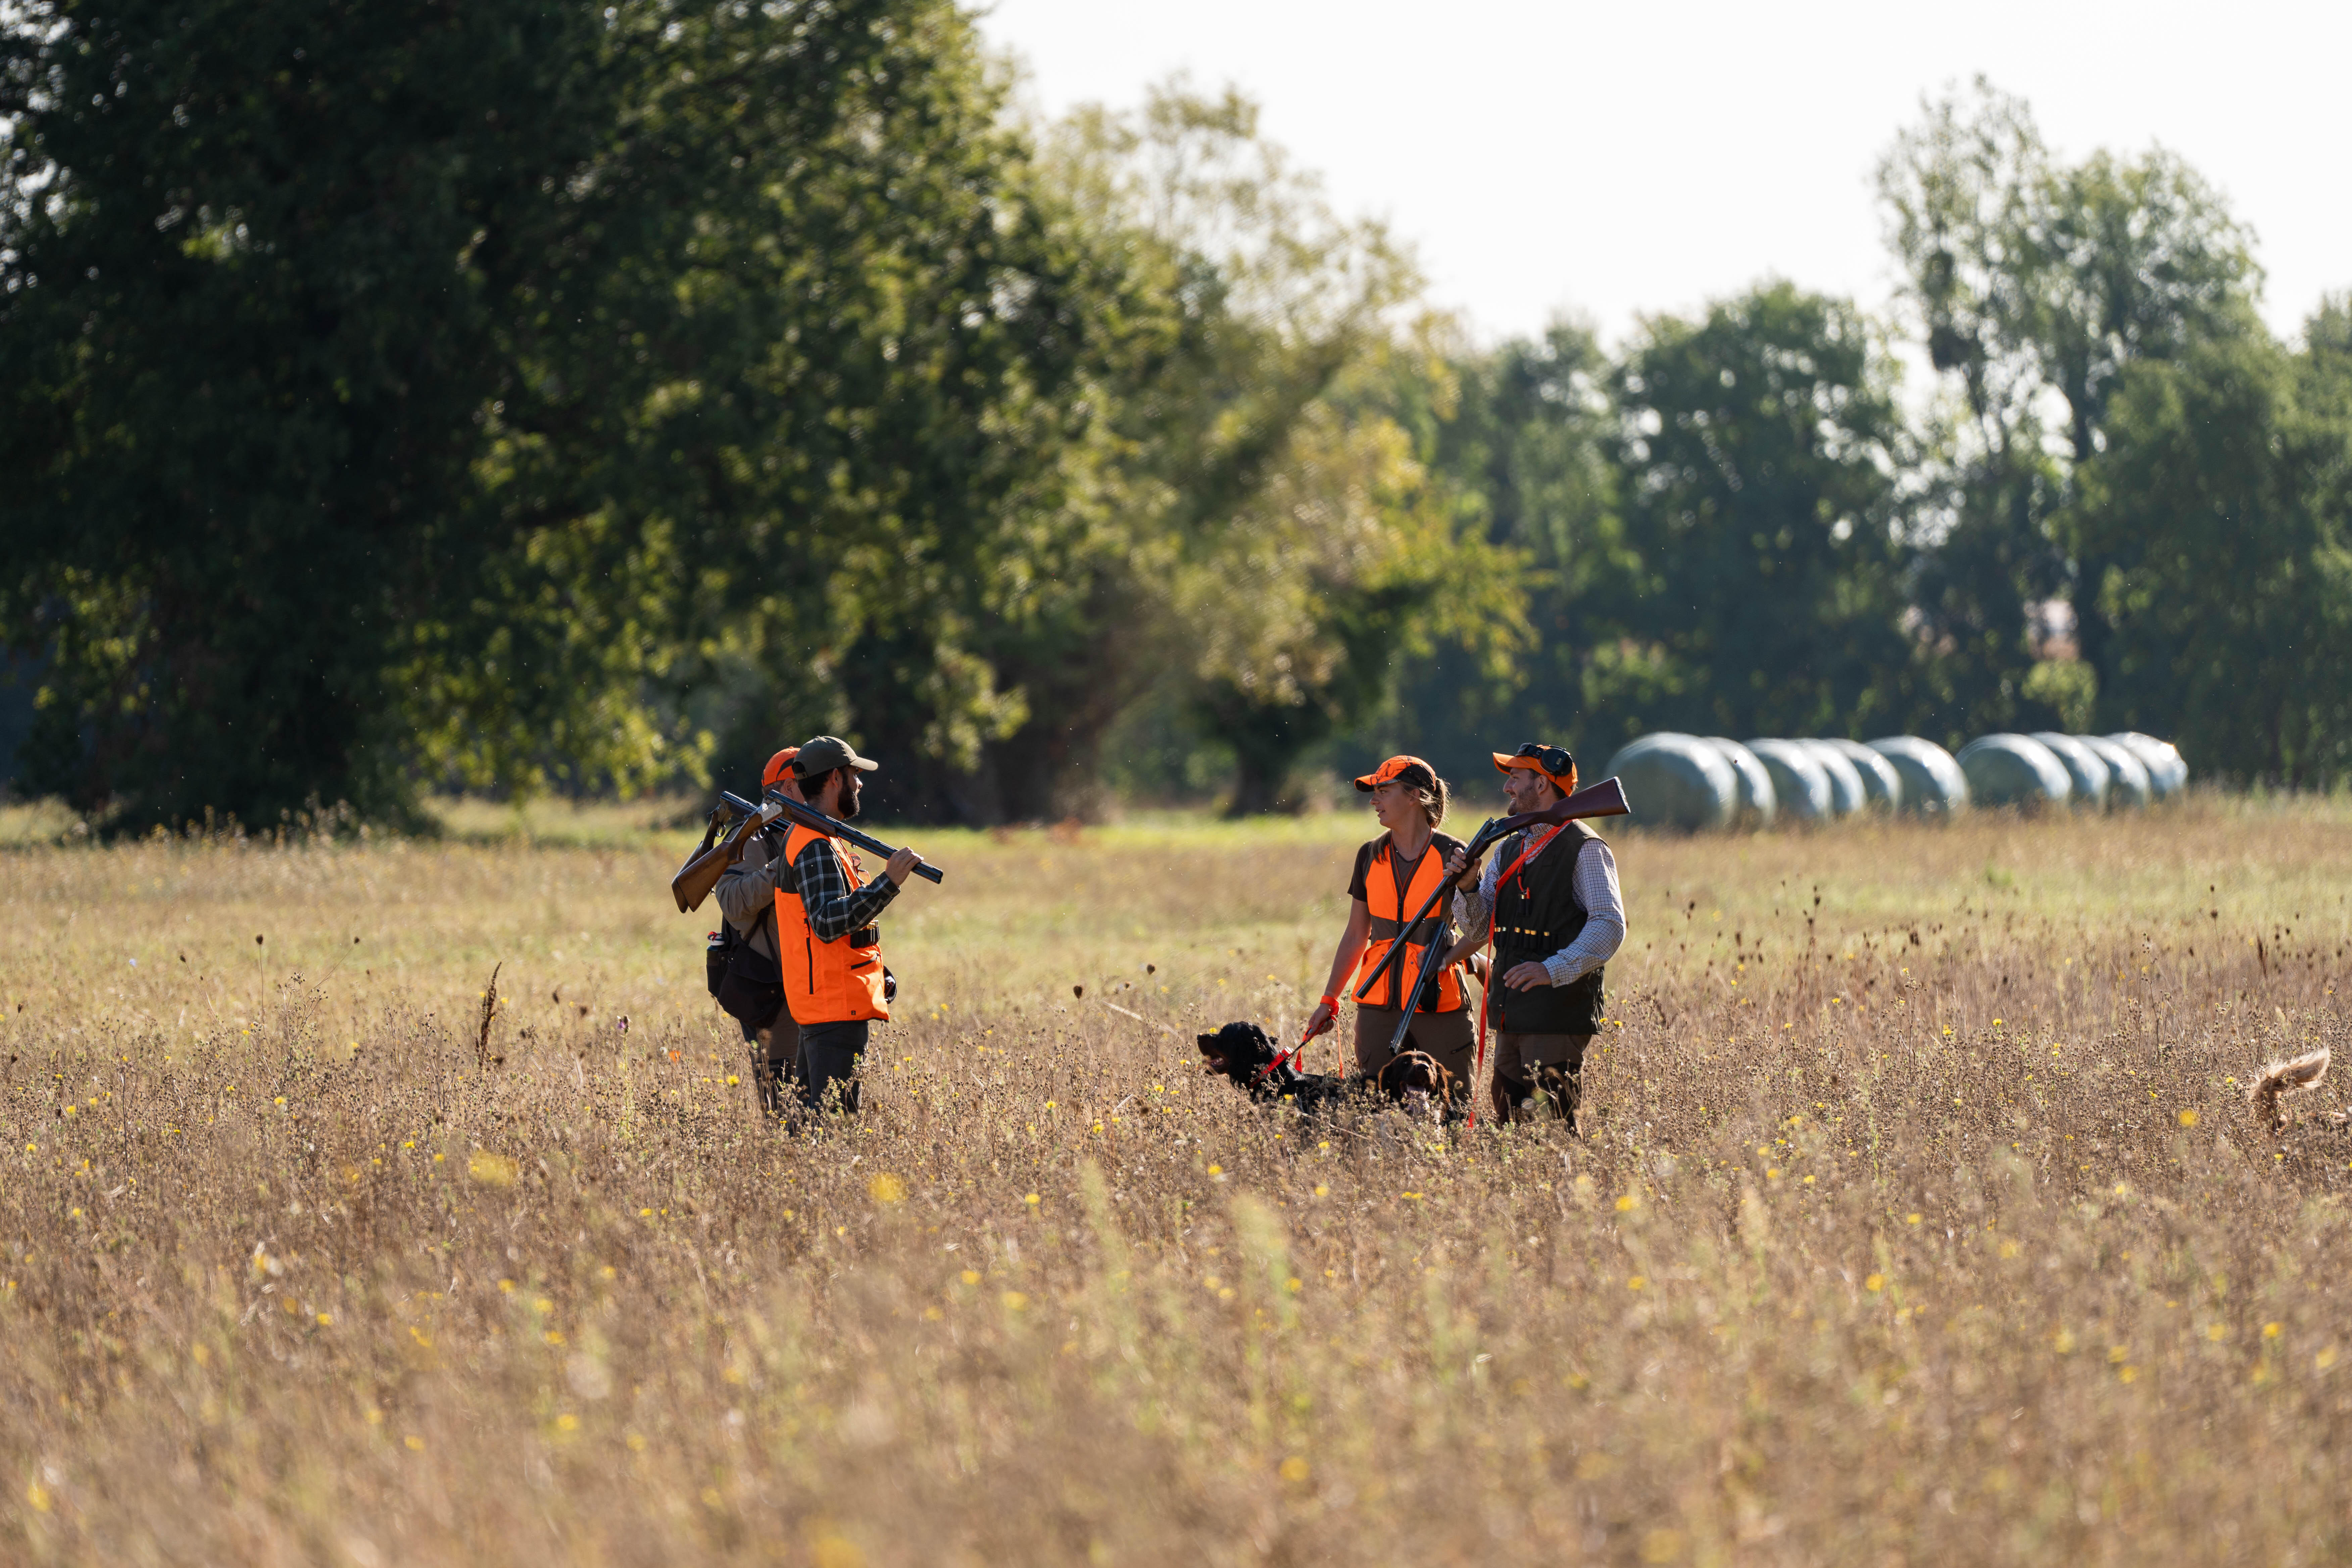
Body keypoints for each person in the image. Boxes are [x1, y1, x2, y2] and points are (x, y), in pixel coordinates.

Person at [1443, 742, 1626, 1128]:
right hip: (1512, 1012)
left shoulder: (1585, 847)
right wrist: (1468, 885)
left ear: (1542, 784)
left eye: (1515, 778)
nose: (1507, 787)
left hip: (1557, 1013)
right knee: (1509, 1115)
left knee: (1552, 1124)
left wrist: (1552, 969)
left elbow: (1609, 924)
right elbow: (1479, 928)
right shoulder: (1511, 847)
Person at [1301, 756, 1477, 1100]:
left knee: (1453, 1109)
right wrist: (1329, 1000)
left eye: (1384, 791)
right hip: (1378, 1007)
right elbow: (1356, 934)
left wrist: (1447, 959)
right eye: (1375, 792)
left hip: (1437, 1002)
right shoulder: (1369, 855)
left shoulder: (1454, 855)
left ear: (1414, 796)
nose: (1374, 800)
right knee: (1375, 1105)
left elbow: (1481, 928)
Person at [775, 735, 926, 1119]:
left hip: (827, 1004)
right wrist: (888, 882)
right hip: (833, 1009)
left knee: (811, 1128)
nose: (860, 784)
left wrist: (878, 972)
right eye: (854, 775)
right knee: (834, 1127)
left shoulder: (819, 836)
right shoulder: (815, 843)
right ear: (834, 779)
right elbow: (828, 922)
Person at [715, 747, 805, 1117]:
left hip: (807, 985)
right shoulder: (753, 837)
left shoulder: (804, 834)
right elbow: (733, 901)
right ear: (788, 787)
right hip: (773, 990)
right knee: (786, 1109)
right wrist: (786, 864)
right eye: (809, 783)